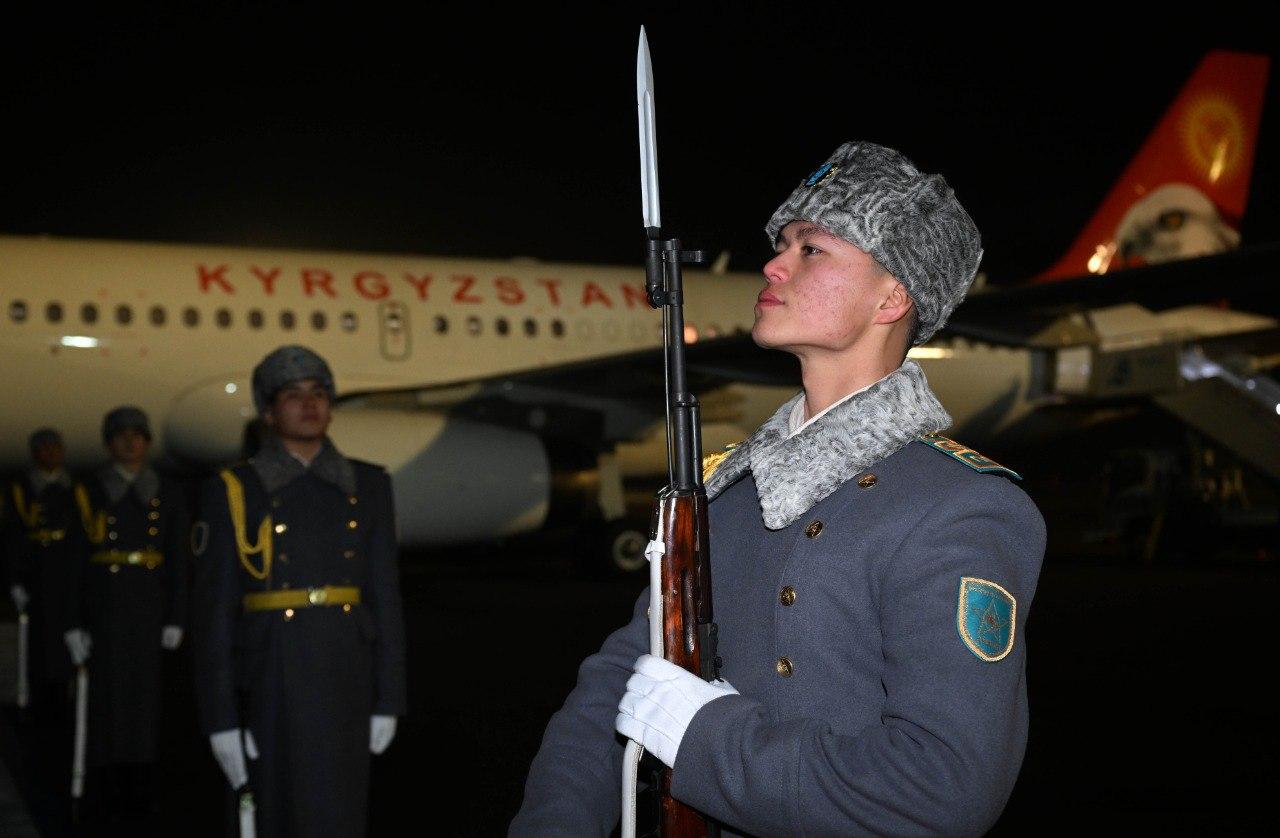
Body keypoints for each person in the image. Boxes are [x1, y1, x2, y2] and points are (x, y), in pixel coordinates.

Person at [511, 142, 1046, 836]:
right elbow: (619, 681)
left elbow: (940, 790)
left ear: (893, 294)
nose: (774, 263)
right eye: (781, 243)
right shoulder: (724, 490)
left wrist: (707, 737)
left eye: (812, 248)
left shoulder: (958, 506)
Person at [192, 345, 407, 837]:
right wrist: (221, 717)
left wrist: (390, 696)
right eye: (293, 395)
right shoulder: (234, 490)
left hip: (346, 675)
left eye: (320, 393)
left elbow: (386, 598)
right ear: (269, 413)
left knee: (340, 813)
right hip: (271, 674)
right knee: (276, 813)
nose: (309, 404)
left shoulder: (369, 485)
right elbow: (215, 615)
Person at [65, 406, 189, 816]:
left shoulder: (168, 492)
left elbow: (177, 557)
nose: (130, 443)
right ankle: (108, 774)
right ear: (108, 443)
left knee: (148, 693)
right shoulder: (90, 492)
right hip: (107, 601)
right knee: (108, 693)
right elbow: (75, 559)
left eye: (138, 435)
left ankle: (145, 773)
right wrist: (73, 622)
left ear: (148, 442)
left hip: (150, 602)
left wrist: (176, 615)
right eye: (121, 436)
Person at [3, 428, 79, 710]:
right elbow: (13, 535)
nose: (49, 453)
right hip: (35, 570)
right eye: (43, 448)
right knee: (37, 639)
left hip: (65, 567)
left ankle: (64, 692)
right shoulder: (20, 488)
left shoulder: (74, 487)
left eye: (54, 447)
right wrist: (14, 580)